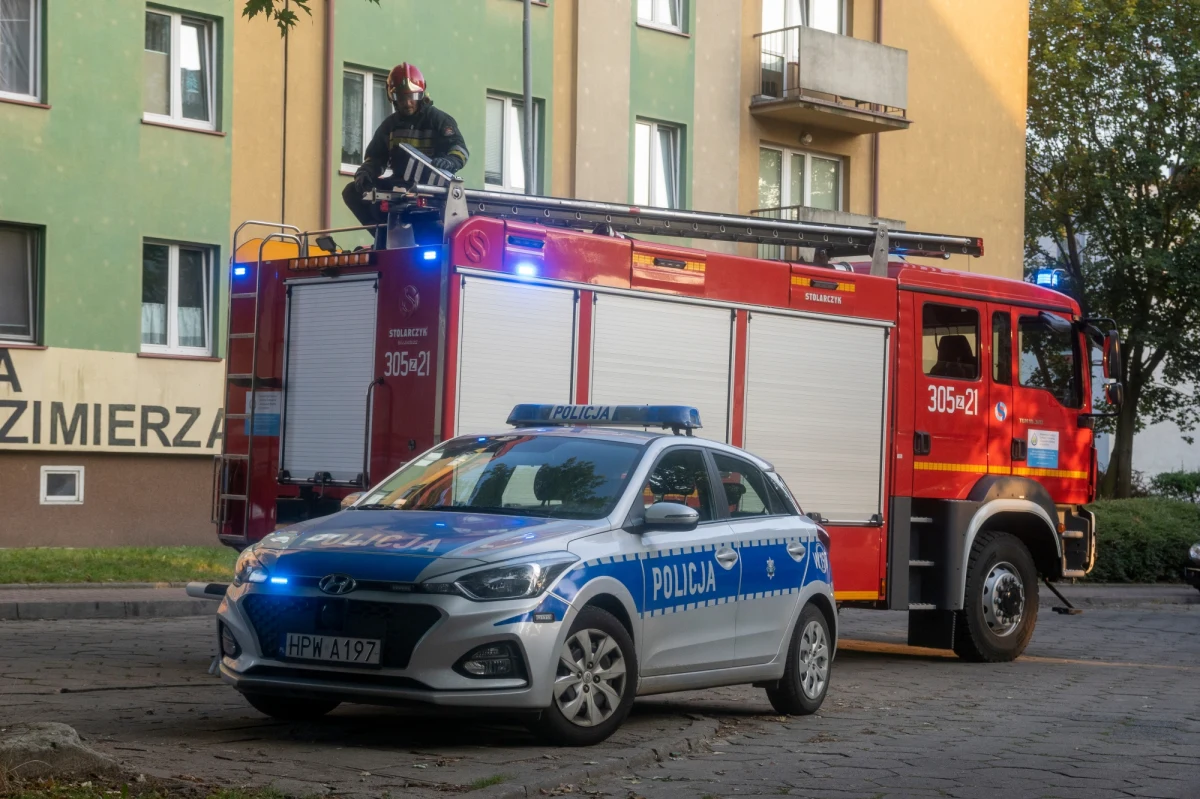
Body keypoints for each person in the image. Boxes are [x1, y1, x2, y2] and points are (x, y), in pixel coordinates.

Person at [342, 62, 470, 228]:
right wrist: (365, 173)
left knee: (425, 227)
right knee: (352, 192)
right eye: (401, 98)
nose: (408, 103)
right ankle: (382, 233)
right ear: (392, 98)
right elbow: (376, 158)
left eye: (412, 97)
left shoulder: (439, 120)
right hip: (399, 186)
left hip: (431, 189)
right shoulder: (389, 126)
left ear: (422, 94)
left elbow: (460, 150)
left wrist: (449, 162)